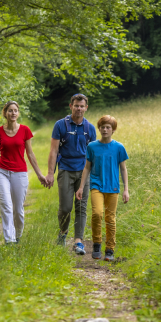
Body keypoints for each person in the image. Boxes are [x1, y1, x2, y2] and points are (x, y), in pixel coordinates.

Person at [46, 94, 96, 255]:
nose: (79, 109)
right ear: (71, 106)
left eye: (82, 106)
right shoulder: (60, 125)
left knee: (81, 207)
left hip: (83, 172)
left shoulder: (90, 129)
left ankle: (78, 242)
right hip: (65, 170)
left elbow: (94, 154)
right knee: (65, 207)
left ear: (86, 108)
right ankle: (63, 233)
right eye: (76, 105)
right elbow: (54, 151)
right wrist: (50, 173)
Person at [0, 101, 47, 244]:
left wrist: (40, 174)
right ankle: (9, 241)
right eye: (10, 110)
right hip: (1, 171)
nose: (13, 113)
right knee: (6, 206)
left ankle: (17, 236)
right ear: (5, 113)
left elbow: (30, 154)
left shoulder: (25, 130)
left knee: (18, 211)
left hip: (20, 173)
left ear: (18, 113)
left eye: (15, 110)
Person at [76, 115, 129, 261]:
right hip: (96, 185)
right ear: (99, 128)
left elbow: (123, 169)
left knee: (110, 218)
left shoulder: (119, 147)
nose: (105, 130)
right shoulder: (92, 146)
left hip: (113, 187)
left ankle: (110, 249)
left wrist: (126, 189)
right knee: (97, 214)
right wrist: (81, 187)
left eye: (108, 127)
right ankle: (97, 243)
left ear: (113, 130)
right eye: (103, 127)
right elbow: (87, 168)